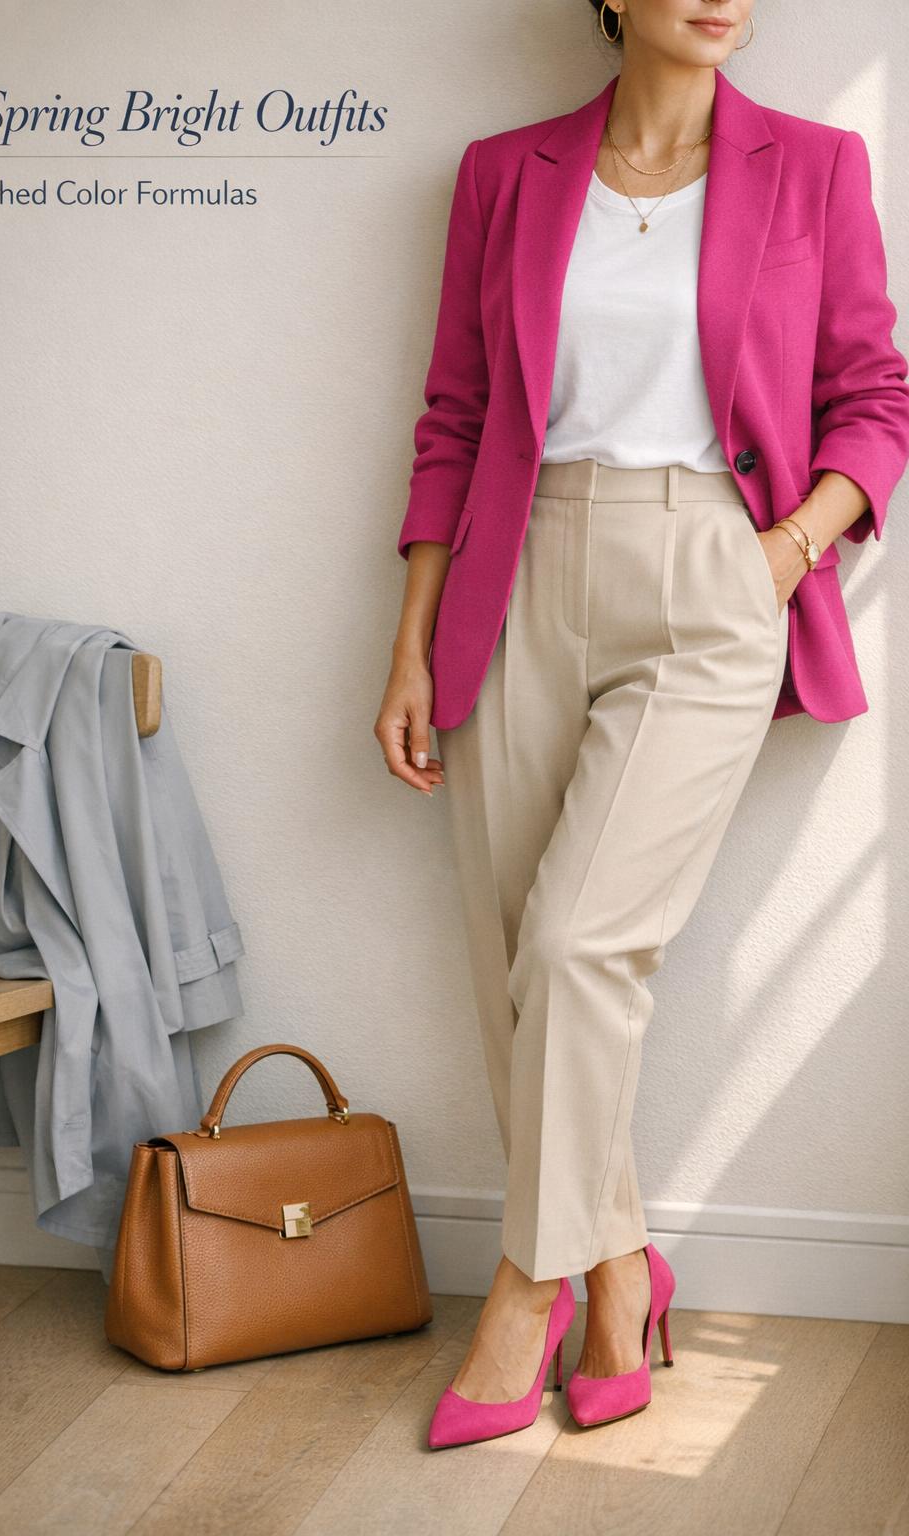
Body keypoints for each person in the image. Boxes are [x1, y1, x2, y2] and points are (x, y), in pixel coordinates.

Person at [374, 0, 909, 1448]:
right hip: (517, 564)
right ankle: (623, 1269)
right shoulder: (505, 172)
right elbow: (458, 410)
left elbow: (875, 398)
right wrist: (415, 638)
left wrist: (786, 551)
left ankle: (520, 1285)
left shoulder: (815, 165)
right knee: (518, 963)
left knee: (577, 942)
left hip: (712, 574)